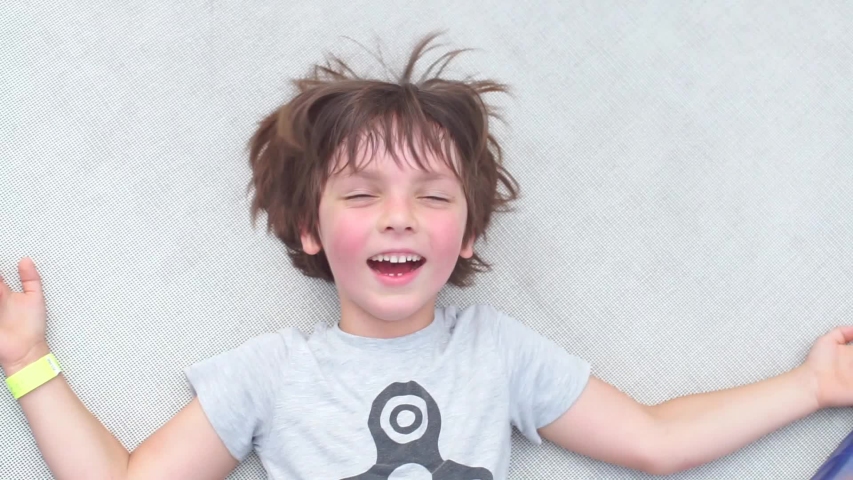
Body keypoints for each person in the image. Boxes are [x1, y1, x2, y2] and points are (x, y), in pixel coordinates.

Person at [1, 32, 852, 480]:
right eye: (362, 195)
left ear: (468, 234)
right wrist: (31, 366)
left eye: (434, 197)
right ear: (308, 230)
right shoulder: (269, 373)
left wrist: (809, 387)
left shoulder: (496, 351)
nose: (398, 218)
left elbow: (655, 440)